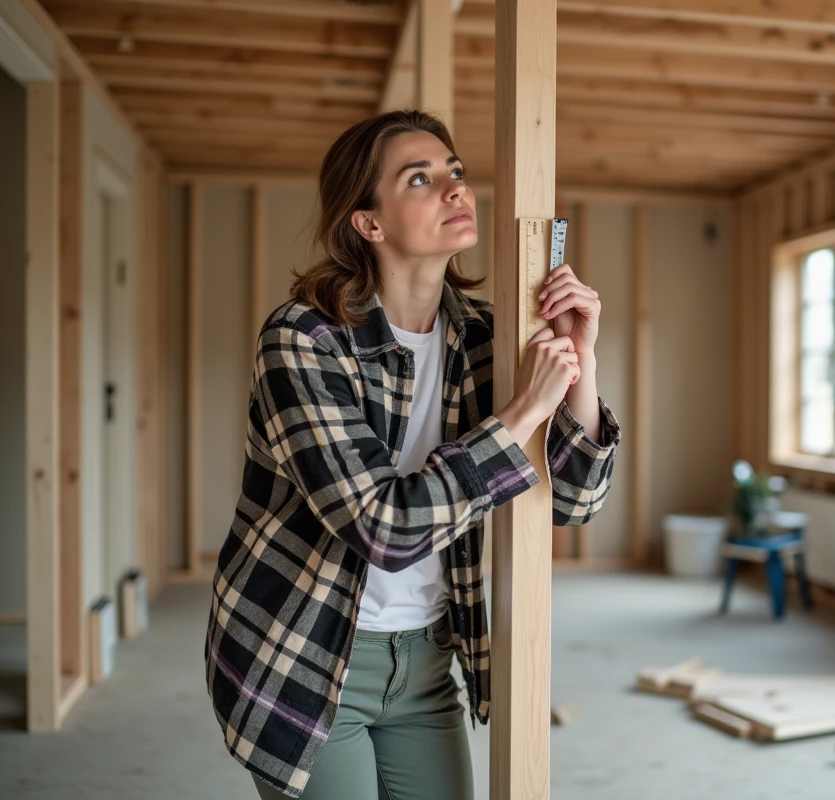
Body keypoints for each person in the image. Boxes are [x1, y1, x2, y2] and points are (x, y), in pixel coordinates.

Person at [203, 109, 621, 800]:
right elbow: (382, 528)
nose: (457, 189)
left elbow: (576, 502)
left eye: (455, 171)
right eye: (419, 178)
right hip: (304, 657)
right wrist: (522, 411)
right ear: (368, 222)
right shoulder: (303, 339)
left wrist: (583, 359)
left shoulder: (485, 338)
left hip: (428, 658)